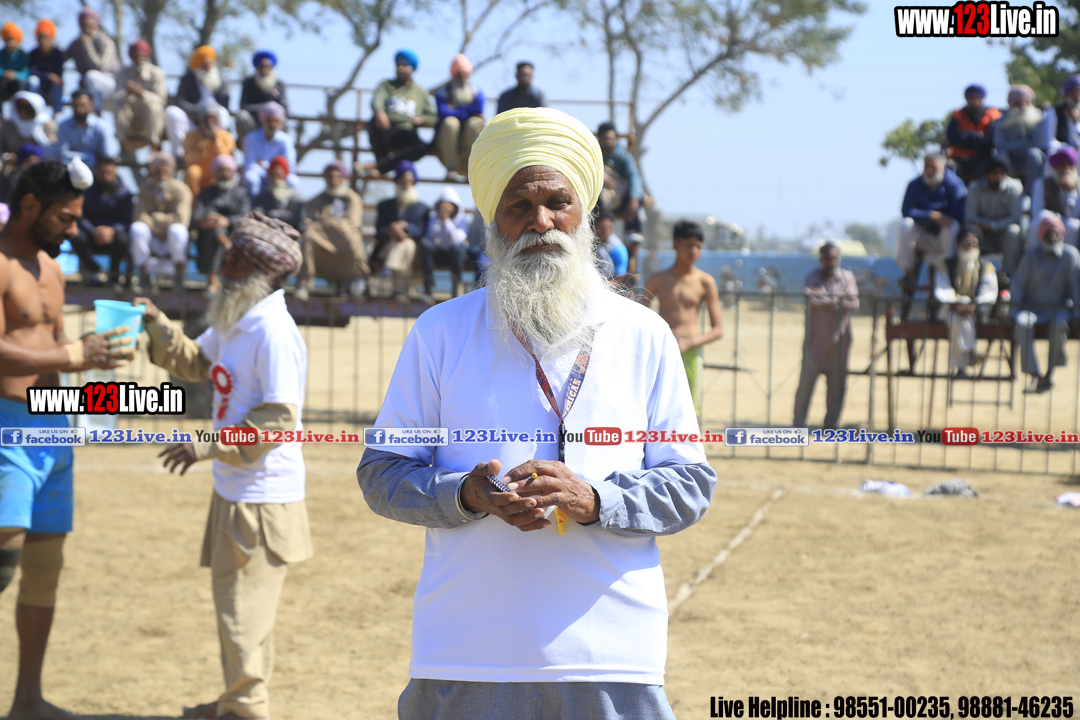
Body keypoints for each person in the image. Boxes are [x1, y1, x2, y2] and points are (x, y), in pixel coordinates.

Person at [357, 107, 715, 720]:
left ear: (585, 215)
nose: (541, 222)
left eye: (558, 202)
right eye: (519, 206)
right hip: (465, 653)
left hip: (612, 657)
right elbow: (382, 472)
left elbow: (689, 485)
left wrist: (596, 499)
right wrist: (464, 495)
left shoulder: (644, 334)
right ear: (493, 219)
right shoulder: (441, 331)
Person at [133, 213, 310, 720]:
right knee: (243, 613)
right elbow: (194, 362)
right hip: (238, 489)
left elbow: (278, 420)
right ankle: (239, 701)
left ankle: (244, 709)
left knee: (242, 615)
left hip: (261, 498)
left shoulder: (273, 332)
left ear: (266, 273)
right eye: (228, 255)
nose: (226, 266)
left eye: (238, 260)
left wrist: (205, 444)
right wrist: (156, 322)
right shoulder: (237, 317)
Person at [0, 158, 135, 720]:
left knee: (44, 570)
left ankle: (28, 700)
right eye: (65, 217)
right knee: (2, 565)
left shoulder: (51, 269)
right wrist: (73, 353)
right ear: (30, 206)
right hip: (6, 430)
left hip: (52, 429)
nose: (74, 229)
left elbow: (56, 353)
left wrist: (95, 358)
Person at [640, 219, 723, 418]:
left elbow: (718, 329)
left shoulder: (705, 282)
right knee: (655, 407)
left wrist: (689, 343)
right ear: (675, 243)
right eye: (689, 245)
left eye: (698, 246)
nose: (694, 251)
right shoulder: (658, 279)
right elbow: (640, 317)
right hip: (661, 349)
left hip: (691, 352)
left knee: (689, 410)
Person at [791, 242, 859, 429]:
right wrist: (836, 299)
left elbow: (854, 303)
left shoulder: (847, 278)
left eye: (835, 258)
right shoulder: (812, 277)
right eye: (828, 259)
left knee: (837, 387)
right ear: (821, 259)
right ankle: (798, 424)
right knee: (806, 385)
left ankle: (830, 425)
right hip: (815, 344)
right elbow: (810, 298)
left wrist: (824, 297)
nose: (832, 262)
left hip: (839, 344)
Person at [1011, 211, 1080, 394]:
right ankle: (1034, 373)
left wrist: (1077, 313)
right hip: (1032, 308)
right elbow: (1018, 285)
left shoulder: (1071, 256)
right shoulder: (1030, 257)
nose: (1053, 237)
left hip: (1059, 309)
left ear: (1062, 234)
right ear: (1041, 236)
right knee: (1022, 323)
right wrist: (1013, 312)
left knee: (1059, 325)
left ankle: (1049, 372)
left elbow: (1076, 286)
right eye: (1049, 233)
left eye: (1056, 233)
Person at [931, 225, 998, 376]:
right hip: (950, 309)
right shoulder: (946, 265)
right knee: (958, 315)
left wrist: (974, 306)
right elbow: (942, 289)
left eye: (974, 244)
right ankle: (970, 352)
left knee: (960, 317)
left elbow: (989, 291)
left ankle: (961, 366)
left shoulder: (986, 266)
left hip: (977, 312)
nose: (970, 247)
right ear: (959, 245)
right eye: (966, 243)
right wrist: (957, 304)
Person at [297, 160, 368, 300]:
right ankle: (305, 284)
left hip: (344, 239)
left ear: (344, 178)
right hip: (322, 240)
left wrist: (326, 224)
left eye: (338, 177)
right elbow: (309, 223)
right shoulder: (316, 200)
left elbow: (352, 223)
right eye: (330, 177)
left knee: (354, 239)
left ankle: (356, 283)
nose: (334, 181)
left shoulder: (353, 199)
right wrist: (334, 224)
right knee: (308, 237)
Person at [897, 153, 966, 287]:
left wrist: (942, 217)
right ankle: (908, 273)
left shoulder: (955, 184)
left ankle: (950, 271)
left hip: (945, 237)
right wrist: (930, 215)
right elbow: (906, 211)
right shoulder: (915, 184)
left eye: (933, 167)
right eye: (926, 167)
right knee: (906, 225)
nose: (929, 170)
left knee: (952, 226)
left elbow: (960, 212)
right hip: (922, 234)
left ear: (943, 167)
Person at [365, 49, 436, 175]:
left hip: (406, 132)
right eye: (398, 65)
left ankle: (380, 166)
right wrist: (380, 112)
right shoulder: (386, 85)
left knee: (423, 147)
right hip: (387, 129)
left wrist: (423, 120)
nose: (401, 68)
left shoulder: (420, 92)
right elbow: (377, 100)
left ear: (412, 68)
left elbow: (432, 116)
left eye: (405, 65)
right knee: (372, 122)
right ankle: (382, 163)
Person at [131, 151, 193, 289]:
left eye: (165, 171)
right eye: (157, 171)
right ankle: (144, 276)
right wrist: (164, 222)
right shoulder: (144, 190)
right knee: (137, 229)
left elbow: (181, 220)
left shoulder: (181, 190)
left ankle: (178, 276)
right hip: (153, 238)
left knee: (177, 230)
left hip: (171, 240)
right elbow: (139, 216)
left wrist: (155, 218)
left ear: (171, 171)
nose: (161, 175)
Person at [69, 156, 133, 288]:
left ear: (115, 172)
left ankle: (114, 276)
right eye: (102, 173)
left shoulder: (124, 193)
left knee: (123, 240)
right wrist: (94, 231)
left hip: (114, 237)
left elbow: (126, 221)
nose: (105, 177)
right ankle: (93, 272)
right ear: (96, 172)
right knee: (75, 237)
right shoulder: (87, 191)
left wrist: (112, 231)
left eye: (109, 173)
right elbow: (81, 217)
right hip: (92, 235)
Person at [192, 154, 250, 295]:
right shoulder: (206, 193)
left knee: (218, 231)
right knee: (215, 231)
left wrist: (226, 221)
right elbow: (196, 216)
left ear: (233, 172)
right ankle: (229, 250)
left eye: (228, 170)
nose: (224, 174)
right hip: (208, 235)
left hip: (234, 233)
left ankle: (213, 280)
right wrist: (206, 220)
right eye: (221, 170)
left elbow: (246, 217)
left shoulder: (240, 193)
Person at [166, 46, 231, 158]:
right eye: (204, 65)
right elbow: (181, 101)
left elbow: (224, 103)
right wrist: (198, 112)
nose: (208, 67)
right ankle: (179, 156)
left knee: (223, 112)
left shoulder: (222, 80)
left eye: (210, 64)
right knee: (172, 112)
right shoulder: (188, 79)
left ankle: (223, 154)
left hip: (214, 118)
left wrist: (209, 115)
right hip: (193, 119)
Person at [371, 159, 428, 285]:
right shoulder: (385, 206)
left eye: (409, 181)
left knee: (406, 244)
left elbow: (421, 231)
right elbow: (379, 231)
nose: (406, 185)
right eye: (403, 181)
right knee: (403, 246)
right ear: (397, 182)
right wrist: (391, 230)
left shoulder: (422, 208)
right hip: (387, 246)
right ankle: (399, 291)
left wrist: (405, 226)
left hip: (414, 249)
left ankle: (388, 269)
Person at [965, 155, 1023, 274]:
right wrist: (982, 225)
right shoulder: (974, 188)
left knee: (1014, 230)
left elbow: (1015, 218)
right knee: (969, 232)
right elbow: (969, 217)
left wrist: (992, 226)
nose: (998, 176)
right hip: (981, 234)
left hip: (1003, 234)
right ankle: (971, 274)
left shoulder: (1015, 188)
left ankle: (1007, 274)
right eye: (994, 172)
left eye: (1001, 172)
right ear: (987, 173)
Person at [433, 53, 485, 181]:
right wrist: (467, 111)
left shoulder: (476, 91)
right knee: (450, 122)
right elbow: (443, 112)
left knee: (475, 123)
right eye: (459, 74)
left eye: (464, 74)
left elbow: (478, 109)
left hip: (468, 134)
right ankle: (451, 169)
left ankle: (471, 169)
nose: (462, 77)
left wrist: (455, 110)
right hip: (448, 139)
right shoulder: (443, 92)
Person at [113, 39, 168, 154]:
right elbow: (116, 97)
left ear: (147, 56)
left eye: (142, 56)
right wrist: (127, 92)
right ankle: (122, 149)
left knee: (154, 107)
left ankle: (154, 148)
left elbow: (161, 100)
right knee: (119, 105)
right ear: (131, 57)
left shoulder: (157, 73)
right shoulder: (122, 73)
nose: (139, 59)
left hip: (149, 120)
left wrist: (142, 93)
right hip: (130, 120)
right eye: (136, 56)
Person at [993, 84, 1048, 196]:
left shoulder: (1040, 118)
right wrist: (1023, 144)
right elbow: (999, 145)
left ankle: (1031, 193)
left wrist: (1013, 145)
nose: (1023, 106)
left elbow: (1039, 144)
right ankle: (1005, 192)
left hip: (1029, 159)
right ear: (1011, 104)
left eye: (1026, 102)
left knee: (1034, 155)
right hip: (1010, 159)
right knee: (1000, 155)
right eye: (1018, 103)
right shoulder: (1000, 122)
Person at [64, 7, 119, 112]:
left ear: (96, 25)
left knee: (91, 76)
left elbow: (99, 66)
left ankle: (95, 112)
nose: (87, 28)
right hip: (88, 86)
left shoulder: (104, 40)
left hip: (111, 83)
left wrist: (87, 45)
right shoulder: (78, 42)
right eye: (83, 25)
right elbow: (62, 57)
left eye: (90, 25)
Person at [945, 83, 1000, 182]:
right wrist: (977, 135)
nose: (975, 101)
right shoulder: (957, 115)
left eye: (978, 97)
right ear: (966, 99)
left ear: (983, 98)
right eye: (971, 98)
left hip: (982, 157)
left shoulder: (992, 115)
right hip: (959, 158)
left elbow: (991, 141)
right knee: (947, 167)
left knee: (989, 168)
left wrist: (965, 137)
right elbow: (953, 139)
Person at [420, 185, 468, 299]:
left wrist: (447, 220)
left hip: (454, 255)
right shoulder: (434, 219)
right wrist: (439, 220)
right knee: (425, 246)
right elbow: (430, 237)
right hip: (438, 253)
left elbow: (457, 239)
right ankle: (428, 286)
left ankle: (456, 286)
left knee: (456, 249)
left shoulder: (461, 220)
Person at [241, 102, 297, 199]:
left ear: (280, 122)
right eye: (269, 121)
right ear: (263, 121)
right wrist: (272, 167)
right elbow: (249, 165)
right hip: (260, 175)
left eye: (276, 121)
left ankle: (287, 206)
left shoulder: (286, 140)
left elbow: (290, 166)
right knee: (250, 178)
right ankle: (253, 204)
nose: (272, 124)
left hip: (279, 175)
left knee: (293, 181)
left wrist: (264, 165)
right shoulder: (251, 138)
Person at [596, 121, 644, 234]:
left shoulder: (624, 156)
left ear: (616, 139)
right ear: (599, 139)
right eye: (605, 139)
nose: (608, 142)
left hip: (620, 198)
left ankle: (632, 234)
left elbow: (634, 177)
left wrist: (634, 198)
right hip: (599, 200)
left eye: (611, 139)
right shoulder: (593, 154)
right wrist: (600, 176)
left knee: (638, 197)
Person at [182, 104, 236, 195]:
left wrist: (215, 140)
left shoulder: (226, 136)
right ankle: (194, 202)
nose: (209, 122)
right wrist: (204, 142)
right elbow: (188, 160)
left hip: (218, 175)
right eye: (206, 119)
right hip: (200, 177)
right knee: (192, 171)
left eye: (212, 118)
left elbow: (227, 160)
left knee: (226, 171)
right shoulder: (191, 136)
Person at [54, 90, 117, 168]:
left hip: (97, 170)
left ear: (91, 106)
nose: (79, 110)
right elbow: (62, 153)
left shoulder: (103, 126)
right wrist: (89, 157)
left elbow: (108, 154)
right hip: (71, 169)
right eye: (76, 106)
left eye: (83, 105)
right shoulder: (64, 125)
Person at [237, 50, 289, 139]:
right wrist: (264, 109)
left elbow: (285, 108)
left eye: (267, 67)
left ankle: (277, 143)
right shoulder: (249, 83)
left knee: (283, 119)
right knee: (242, 116)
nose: (264, 70)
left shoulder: (279, 84)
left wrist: (271, 111)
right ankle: (245, 143)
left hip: (273, 120)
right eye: (261, 67)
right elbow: (244, 106)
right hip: (254, 121)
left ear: (271, 68)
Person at [251, 155, 304, 233]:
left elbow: (295, 216)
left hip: (289, 232)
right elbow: (258, 213)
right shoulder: (263, 195)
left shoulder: (295, 196)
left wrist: (272, 214)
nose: (276, 178)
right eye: (274, 174)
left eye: (279, 175)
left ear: (284, 175)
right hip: (268, 231)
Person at [0, 91, 57, 155]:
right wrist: (6, 156)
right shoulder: (8, 124)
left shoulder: (47, 124)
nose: (23, 112)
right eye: (20, 107)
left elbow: (54, 147)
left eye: (27, 108)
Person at [28, 20, 64, 114]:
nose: (43, 40)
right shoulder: (33, 53)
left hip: (52, 86)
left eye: (46, 37)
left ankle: (56, 115)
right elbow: (32, 71)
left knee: (57, 84)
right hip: (39, 85)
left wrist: (54, 78)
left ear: (51, 38)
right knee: (33, 80)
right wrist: (48, 76)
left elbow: (59, 74)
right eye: (41, 37)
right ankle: (34, 111)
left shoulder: (57, 54)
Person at [1047, 74, 1080, 151]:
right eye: (1074, 93)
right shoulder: (1054, 112)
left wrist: (1077, 120)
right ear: (1067, 94)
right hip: (1061, 151)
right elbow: (1050, 141)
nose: (1077, 97)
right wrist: (1068, 149)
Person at [0, 23, 30, 104]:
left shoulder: (23, 55)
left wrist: (15, 75)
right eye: (8, 39)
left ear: (17, 40)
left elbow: (26, 73)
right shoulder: (1, 54)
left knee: (21, 85)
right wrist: (5, 73)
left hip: (18, 85)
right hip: (4, 83)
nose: (10, 42)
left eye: (12, 39)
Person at [596, 210, 628, 277]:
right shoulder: (588, 246)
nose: (606, 231)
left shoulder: (618, 250)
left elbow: (619, 278)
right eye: (602, 227)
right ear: (594, 228)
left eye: (610, 227)